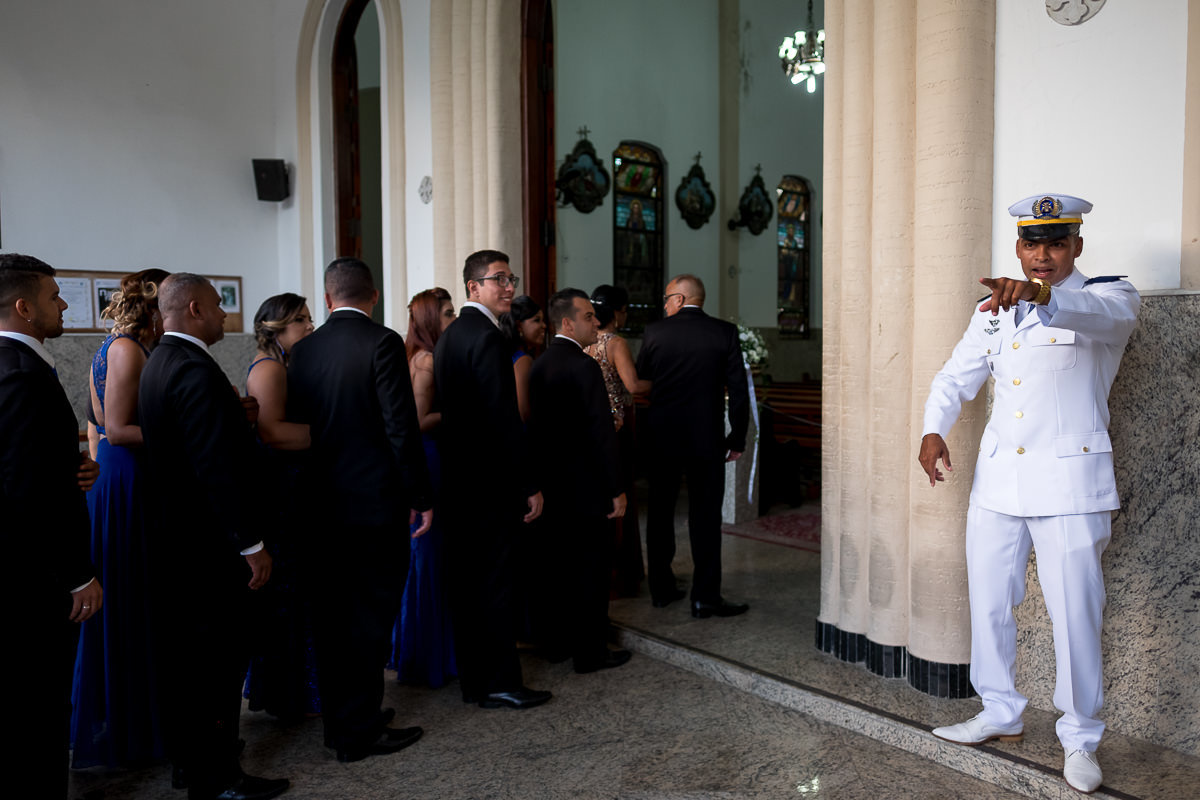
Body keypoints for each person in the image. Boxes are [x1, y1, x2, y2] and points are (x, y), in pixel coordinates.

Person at [919, 194, 1140, 795]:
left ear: (1077, 247)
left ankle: (1081, 736)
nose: (1041, 256)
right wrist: (932, 427)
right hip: (998, 484)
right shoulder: (993, 308)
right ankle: (999, 710)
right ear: (1018, 246)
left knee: (1075, 614)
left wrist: (1041, 297)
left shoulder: (1110, 296)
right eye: (1031, 244)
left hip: (1071, 486)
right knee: (990, 602)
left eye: (1056, 243)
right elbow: (954, 375)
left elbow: (1100, 320)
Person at [138, 273, 288, 800]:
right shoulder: (194, 369)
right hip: (208, 547)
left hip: (178, 542)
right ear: (196, 309)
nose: (226, 317)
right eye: (220, 307)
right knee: (216, 668)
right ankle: (219, 779)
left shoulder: (159, 361)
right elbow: (215, 468)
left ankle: (193, 765)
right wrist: (251, 545)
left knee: (191, 667)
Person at [286, 258, 431, 762]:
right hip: (373, 503)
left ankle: (345, 718)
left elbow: (299, 427)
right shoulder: (382, 342)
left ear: (327, 300)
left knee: (331, 619)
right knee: (369, 617)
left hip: (318, 503)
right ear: (372, 296)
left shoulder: (302, 351)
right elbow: (399, 425)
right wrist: (420, 496)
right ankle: (359, 732)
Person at [0, 254, 103, 800]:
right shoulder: (21, 375)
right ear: (23, 307)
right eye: (53, 296)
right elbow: (24, 493)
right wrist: (76, 574)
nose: (62, 304)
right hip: (32, 577)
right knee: (39, 708)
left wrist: (72, 468)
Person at [433, 249, 551, 710]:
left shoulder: (451, 336)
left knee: (468, 585)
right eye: (498, 279)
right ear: (473, 287)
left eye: (510, 278)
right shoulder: (487, 337)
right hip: (490, 485)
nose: (509, 287)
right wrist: (528, 483)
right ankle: (502, 681)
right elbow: (503, 421)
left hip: (459, 481)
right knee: (497, 584)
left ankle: (475, 682)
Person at [71, 268, 169, 769]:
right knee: (130, 595)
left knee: (139, 597)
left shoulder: (116, 346)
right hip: (128, 475)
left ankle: (142, 719)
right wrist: (189, 429)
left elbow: (95, 430)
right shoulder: (128, 348)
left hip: (120, 473)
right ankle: (130, 727)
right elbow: (117, 427)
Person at [528, 288, 631, 673]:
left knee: (559, 569)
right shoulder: (582, 365)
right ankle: (591, 653)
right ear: (567, 322)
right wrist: (616, 488)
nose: (595, 322)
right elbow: (600, 431)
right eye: (588, 316)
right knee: (590, 570)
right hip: (586, 488)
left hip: (554, 486)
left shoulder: (541, 364)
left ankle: (558, 644)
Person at [636, 274, 749, 618]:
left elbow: (642, 384)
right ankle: (705, 597)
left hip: (662, 439)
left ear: (682, 299)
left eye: (668, 298)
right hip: (706, 440)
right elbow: (739, 392)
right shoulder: (724, 332)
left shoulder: (655, 332)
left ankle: (661, 589)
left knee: (659, 513)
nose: (665, 305)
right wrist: (736, 438)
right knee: (705, 518)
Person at [242, 293, 319, 721]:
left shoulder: (285, 364)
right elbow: (272, 433)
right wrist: (334, 432)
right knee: (289, 590)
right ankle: (291, 691)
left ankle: (302, 687)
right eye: (300, 320)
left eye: (308, 318)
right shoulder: (270, 368)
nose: (309, 326)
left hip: (294, 483)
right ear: (278, 328)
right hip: (282, 489)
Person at [390, 287, 458, 688]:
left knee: (430, 556)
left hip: (433, 458)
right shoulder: (427, 359)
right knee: (429, 556)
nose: (453, 320)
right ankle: (427, 655)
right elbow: (416, 422)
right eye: (447, 313)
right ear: (432, 319)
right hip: (430, 459)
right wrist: (457, 410)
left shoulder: (411, 353)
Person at [585, 284, 650, 597]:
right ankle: (623, 572)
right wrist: (672, 378)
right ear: (618, 311)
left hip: (594, 428)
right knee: (622, 494)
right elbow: (634, 385)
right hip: (618, 425)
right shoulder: (615, 342)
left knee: (604, 496)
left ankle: (605, 571)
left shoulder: (584, 341)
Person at [499, 295, 545, 422]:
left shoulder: (508, 354)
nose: (544, 326)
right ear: (519, 326)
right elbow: (524, 412)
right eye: (537, 320)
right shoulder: (522, 360)